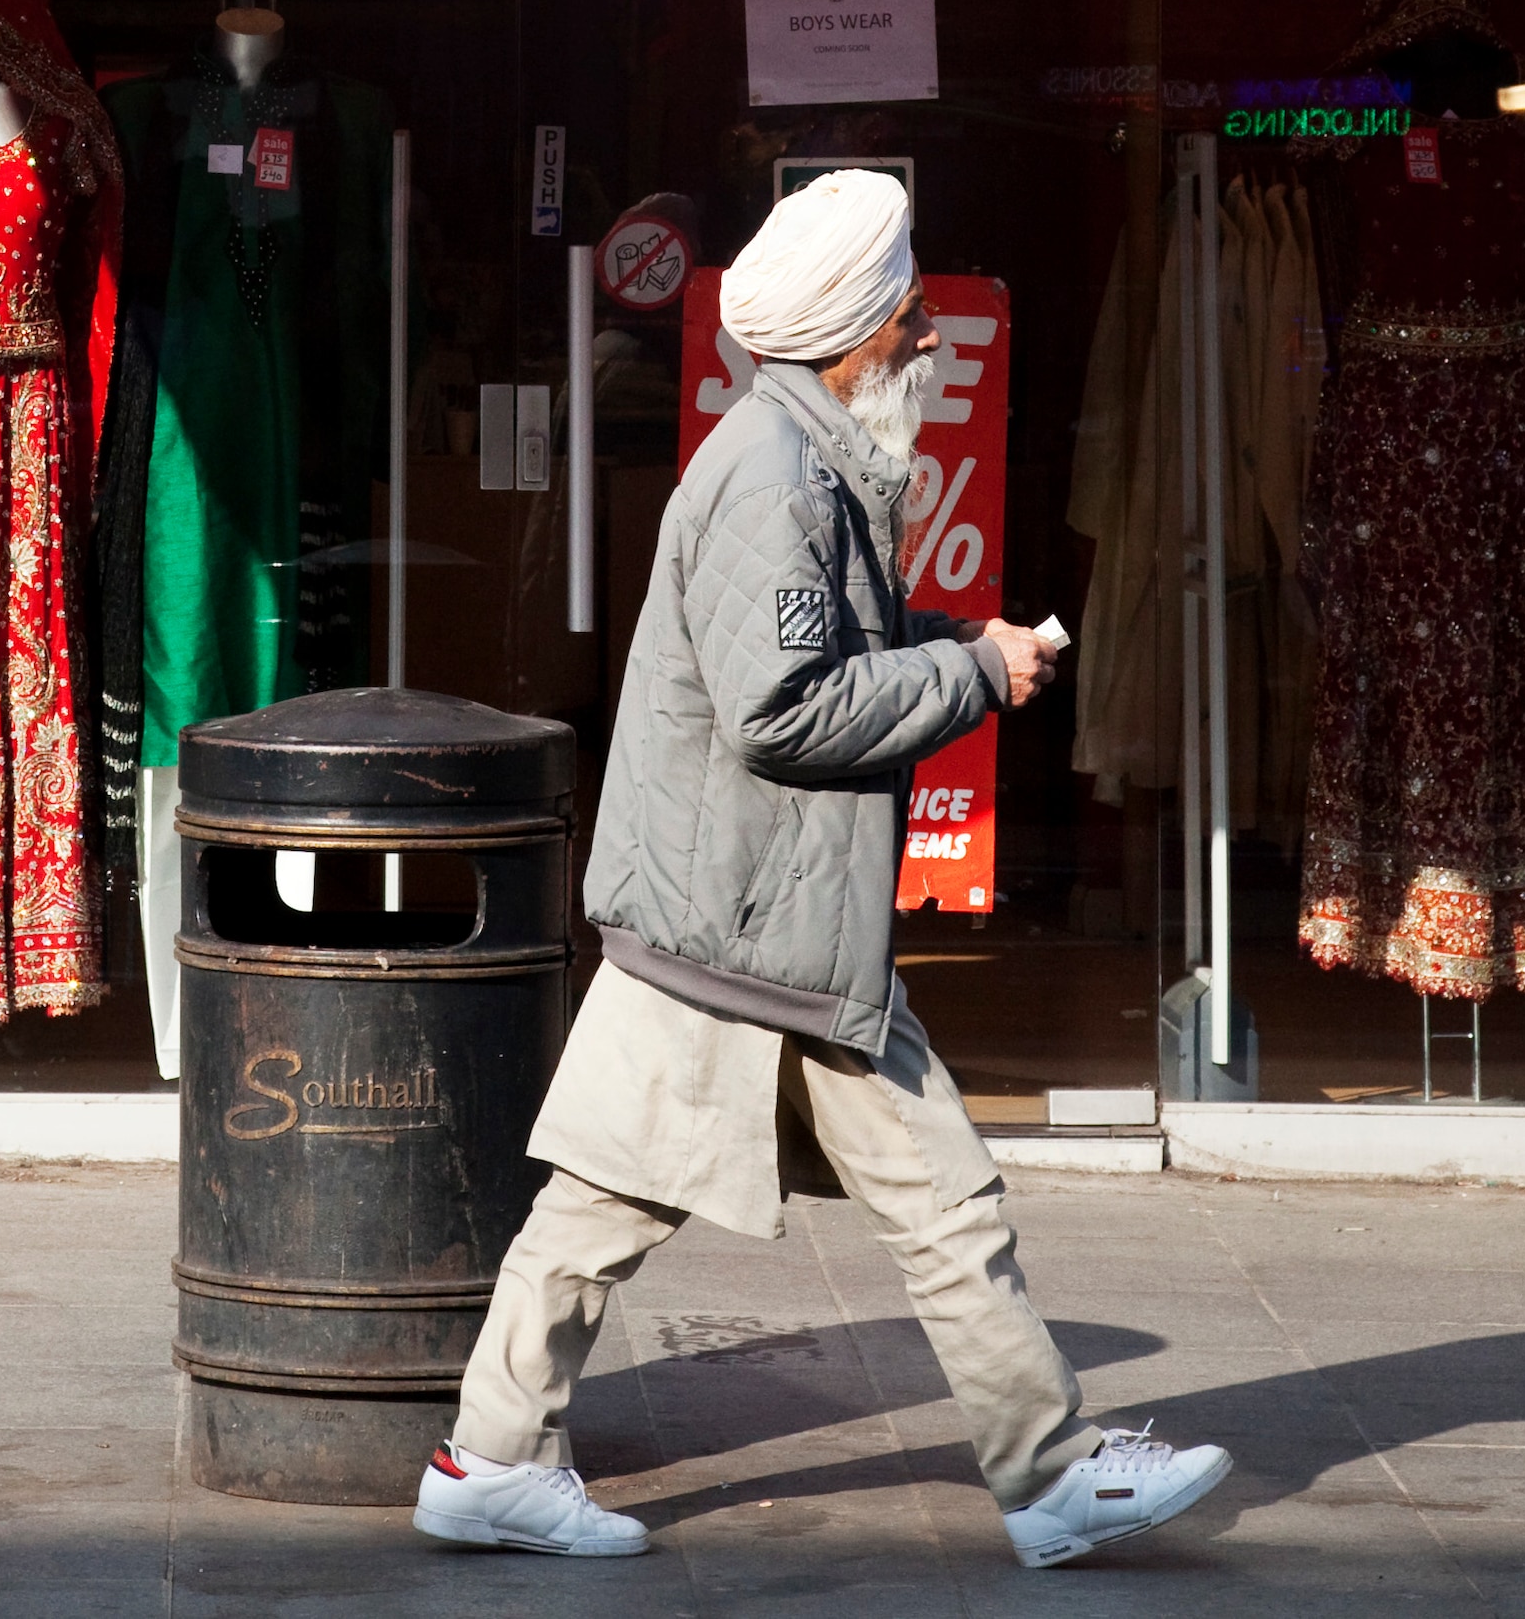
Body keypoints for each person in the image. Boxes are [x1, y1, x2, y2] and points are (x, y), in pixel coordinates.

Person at [413, 169, 1229, 1567]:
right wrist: (970, 669)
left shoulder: (795, 458)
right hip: (747, 927)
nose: (929, 337)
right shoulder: (779, 478)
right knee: (897, 1200)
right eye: (911, 314)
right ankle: (1046, 1478)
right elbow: (784, 706)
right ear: (855, 332)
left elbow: (800, 648)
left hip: (747, 917)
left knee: (662, 1199)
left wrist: (941, 634)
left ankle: (488, 1458)